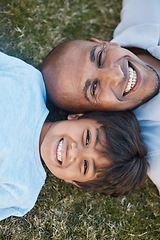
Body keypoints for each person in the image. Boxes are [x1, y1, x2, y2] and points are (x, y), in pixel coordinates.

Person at [0, 51, 148, 221]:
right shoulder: (28, 82)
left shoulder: (22, 191)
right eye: (87, 138)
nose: (74, 152)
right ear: (77, 116)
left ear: (74, 182)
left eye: (85, 166)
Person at [41, 0, 160, 193]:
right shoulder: (156, 149)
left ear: (103, 43)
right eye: (94, 88)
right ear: (95, 113)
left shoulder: (143, 11)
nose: (116, 75)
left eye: (99, 58)